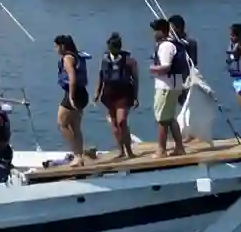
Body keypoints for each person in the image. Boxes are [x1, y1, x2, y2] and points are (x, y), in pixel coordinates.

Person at [149, 17, 188, 158]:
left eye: (155, 30)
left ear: (162, 31)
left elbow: (166, 67)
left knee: (162, 119)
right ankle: (179, 147)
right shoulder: (174, 44)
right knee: (170, 118)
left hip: (166, 86)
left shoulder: (165, 46)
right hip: (174, 84)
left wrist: (153, 68)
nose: (153, 33)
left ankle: (161, 150)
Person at [97, 31, 139, 159]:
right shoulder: (105, 59)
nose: (111, 50)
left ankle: (129, 151)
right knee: (114, 124)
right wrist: (97, 92)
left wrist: (136, 97)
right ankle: (121, 151)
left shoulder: (129, 61)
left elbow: (135, 79)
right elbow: (101, 76)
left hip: (124, 94)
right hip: (109, 94)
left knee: (122, 121)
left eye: (113, 48)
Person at [53, 35, 93, 163]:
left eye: (56, 46)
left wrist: (71, 97)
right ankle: (79, 156)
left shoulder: (67, 58)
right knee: (75, 126)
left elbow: (72, 78)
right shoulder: (76, 56)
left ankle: (77, 155)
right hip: (82, 93)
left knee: (62, 124)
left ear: (62, 46)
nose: (55, 49)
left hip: (74, 94)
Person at [169, 13, 206, 147]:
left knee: (188, 105)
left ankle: (191, 134)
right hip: (175, 79)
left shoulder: (189, 42)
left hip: (187, 78)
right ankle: (185, 133)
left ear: (178, 28)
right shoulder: (172, 43)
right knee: (179, 106)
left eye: (171, 28)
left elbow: (192, 62)